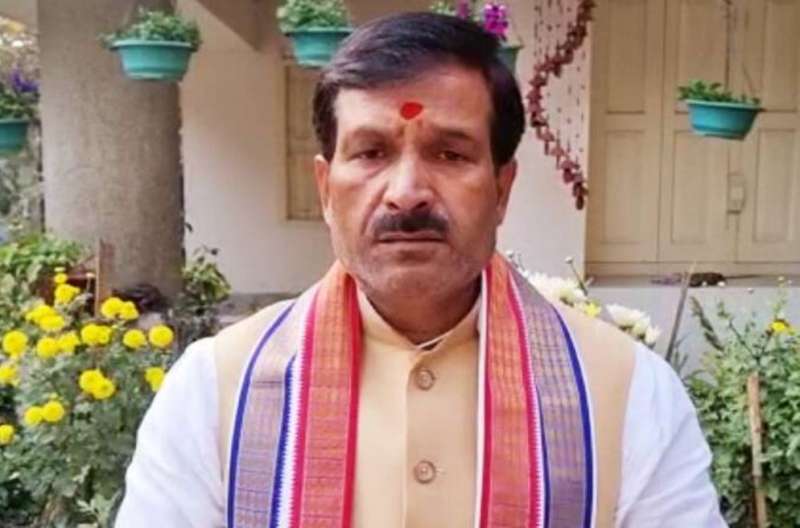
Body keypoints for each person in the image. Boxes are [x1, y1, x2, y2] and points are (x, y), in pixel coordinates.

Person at [116, 12, 726, 528]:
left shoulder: (627, 394)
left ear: (502, 189)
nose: (406, 192)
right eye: (371, 153)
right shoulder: (214, 391)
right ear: (326, 189)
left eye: (450, 153)